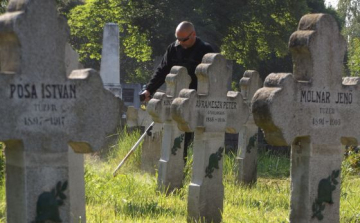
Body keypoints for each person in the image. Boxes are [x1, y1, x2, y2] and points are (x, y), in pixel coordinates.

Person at [141, 21, 215, 161]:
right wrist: (149, 90)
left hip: (196, 100)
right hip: (176, 99)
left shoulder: (206, 50)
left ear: (193, 34)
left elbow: (212, 76)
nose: (180, 43)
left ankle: (184, 165)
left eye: (184, 39)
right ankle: (176, 164)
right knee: (175, 133)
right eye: (178, 39)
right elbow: (162, 70)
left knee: (188, 136)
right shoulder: (173, 48)